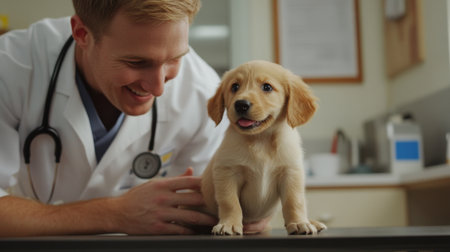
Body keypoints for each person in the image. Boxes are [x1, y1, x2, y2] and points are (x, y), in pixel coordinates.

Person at [0, 0, 269, 236]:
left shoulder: (202, 92)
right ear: (82, 33)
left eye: (175, 59)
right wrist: (113, 213)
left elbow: (210, 205)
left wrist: (247, 206)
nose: (158, 88)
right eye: (137, 63)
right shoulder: (12, 67)